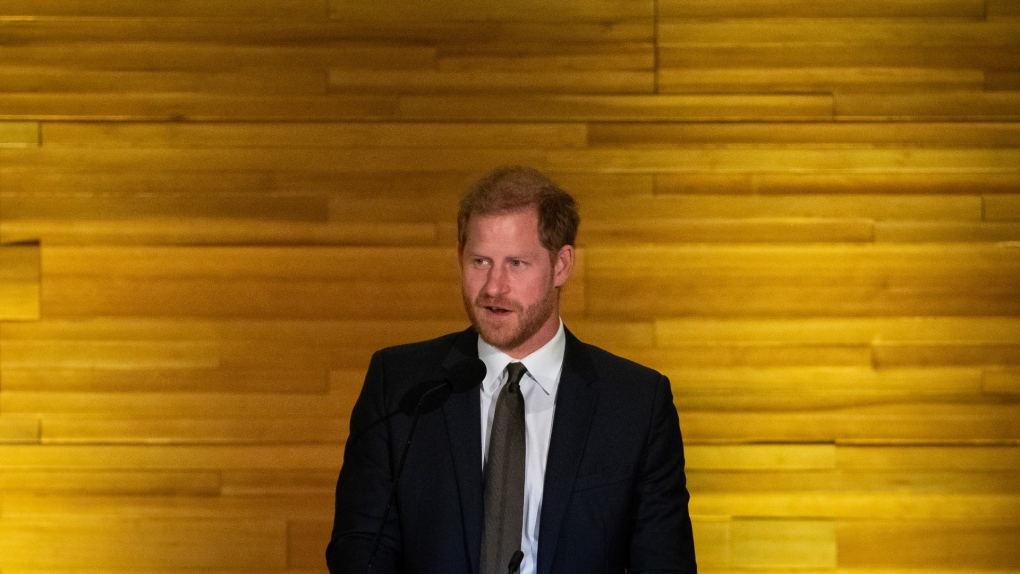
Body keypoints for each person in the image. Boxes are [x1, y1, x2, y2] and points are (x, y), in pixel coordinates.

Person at [327, 166, 697, 574]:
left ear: (561, 265)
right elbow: (359, 549)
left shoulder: (635, 404)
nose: (493, 287)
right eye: (480, 261)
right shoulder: (400, 385)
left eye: (517, 263)